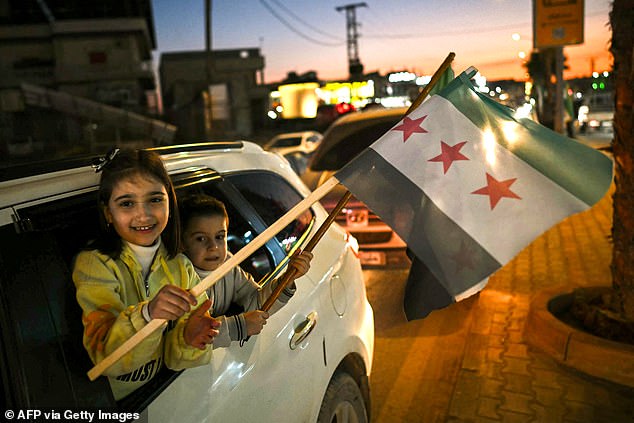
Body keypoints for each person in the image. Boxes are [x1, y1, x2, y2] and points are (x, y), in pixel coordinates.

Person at [72, 148, 221, 400]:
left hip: (166, 395)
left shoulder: (181, 267)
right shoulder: (95, 264)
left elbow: (175, 360)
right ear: (108, 213)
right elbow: (106, 358)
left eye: (154, 199)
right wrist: (147, 314)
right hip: (121, 404)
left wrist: (189, 337)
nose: (143, 215)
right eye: (127, 203)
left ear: (170, 203)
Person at [179, 193, 313, 347]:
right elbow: (184, 338)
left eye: (219, 237)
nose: (213, 247)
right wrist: (239, 326)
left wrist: (288, 279)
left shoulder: (228, 265)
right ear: (182, 242)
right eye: (201, 238)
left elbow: (255, 300)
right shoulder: (178, 276)